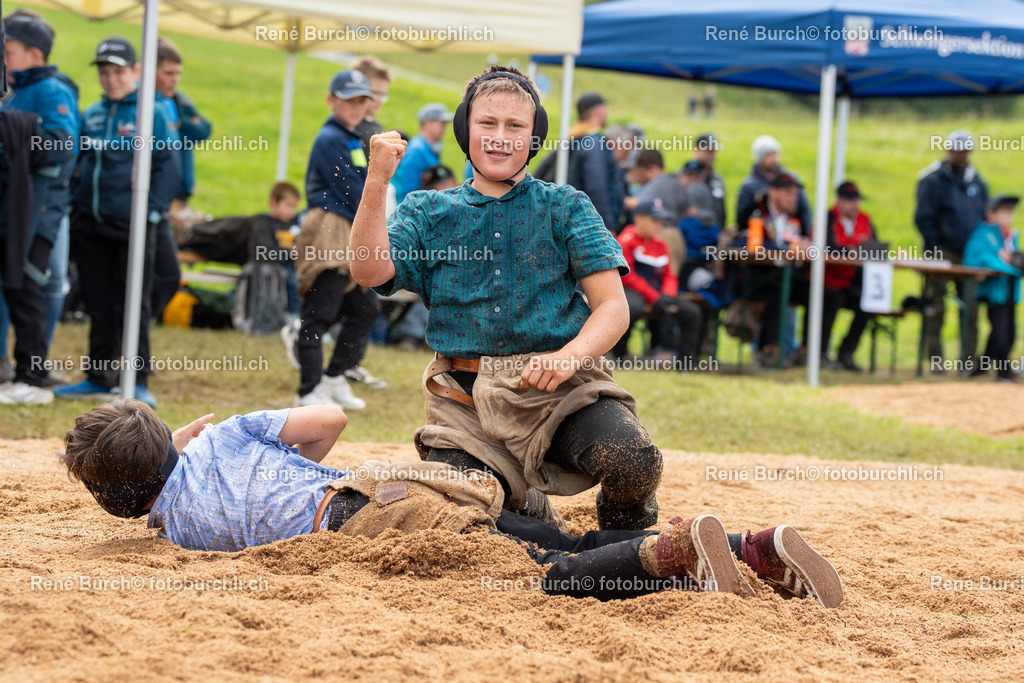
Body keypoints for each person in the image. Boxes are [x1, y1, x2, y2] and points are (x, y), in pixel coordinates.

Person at [61, 398, 844, 607]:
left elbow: (159, 494)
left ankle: (667, 554)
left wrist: (168, 465)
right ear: (169, 438)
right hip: (401, 484)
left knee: (539, 578)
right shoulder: (225, 436)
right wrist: (198, 439)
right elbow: (329, 419)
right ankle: (753, 546)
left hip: (370, 527)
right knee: (561, 543)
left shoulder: (178, 527)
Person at [351, 65, 665, 532]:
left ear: (534, 136)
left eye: (515, 125)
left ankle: (628, 545)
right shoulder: (428, 210)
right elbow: (369, 270)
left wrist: (569, 356)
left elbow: (613, 307)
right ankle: (529, 509)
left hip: (559, 391)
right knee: (468, 517)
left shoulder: (566, 206)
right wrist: (377, 181)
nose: (500, 137)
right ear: (465, 130)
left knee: (635, 462)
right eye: (487, 123)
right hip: (465, 406)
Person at [54, 36, 181, 409]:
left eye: (118, 72)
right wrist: (76, 205)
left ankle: (136, 380)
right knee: (97, 302)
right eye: (105, 72)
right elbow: (78, 163)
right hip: (90, 225)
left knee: (134, 302)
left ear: (137, 71)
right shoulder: (92, 113)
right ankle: (99, 377)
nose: (111, 80)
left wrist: (151, 214)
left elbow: (168, 168)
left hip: (134, 226)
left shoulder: (152, 111)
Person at [0, 12, 79, 404]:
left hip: (41, 209)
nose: (4, 59)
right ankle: (24, 372)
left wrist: (15, 129)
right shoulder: (17, 89)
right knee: (15, 287)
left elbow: (62, 145)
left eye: (9, 51)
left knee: (29, 285)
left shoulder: (51, 90)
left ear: (34, 54)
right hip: (17, 209)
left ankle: (32, 378)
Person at [292, 68, 381, 411]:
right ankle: (308, 390)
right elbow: (352, 189)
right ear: (331, 101)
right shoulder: (331, 138)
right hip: (331, 230)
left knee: (364, 308)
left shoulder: (350, 137)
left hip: (349, 226)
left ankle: (333, 377)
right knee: (319, 312)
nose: (357, 107)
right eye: (349, 100)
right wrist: (377, 217)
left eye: (362, 100)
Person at [915, 129, 988, 372]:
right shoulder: (933, 180)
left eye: (965, 151)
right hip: (941, 251)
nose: (961, 156)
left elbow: (985, 217)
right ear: (948, 150)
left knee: (971, 309)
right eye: (957, 151)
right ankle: (936, 360)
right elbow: (923, 217)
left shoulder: (976, 181)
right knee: (936, 306)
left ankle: (967, 362)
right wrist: (934, 246)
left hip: (970, 254)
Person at [149, 36, 212, 320]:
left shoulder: (177, 102)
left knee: (166, 270)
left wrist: (181, 116)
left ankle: (147, 317)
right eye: (168, 73)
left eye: (178, 74)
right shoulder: (144, 105)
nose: (174, 80)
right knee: (157, 267)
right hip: (153, 198)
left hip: (174, 196)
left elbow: (203, 129)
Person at [611, 198, 702, 367]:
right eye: (654, 220)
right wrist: (654, 297)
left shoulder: (660, 244)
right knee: (631, 309)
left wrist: (667, 294)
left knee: (692, 312)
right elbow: (627, 276)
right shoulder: (626, 241)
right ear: (638, 218)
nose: (659, 224)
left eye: (660, 220)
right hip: (632, 290)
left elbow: (669, 275)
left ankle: (686, 363)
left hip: (659, 293)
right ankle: (618, 356)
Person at [732, 173, 809, 367]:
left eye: (795, 194)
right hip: (752, 275)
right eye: (788, 193)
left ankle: (809, 350)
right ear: (773, 192)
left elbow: (802, 242)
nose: (793, 198)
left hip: (786, 274)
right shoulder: (755, 211)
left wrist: (805, 246)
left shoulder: (796, 217)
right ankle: (767, 350)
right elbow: (747, 245)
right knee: (777, 291)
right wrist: (782, 250)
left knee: (821, 292)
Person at [822, 181, 879, 373]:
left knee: (867, 305)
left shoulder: (865, 221)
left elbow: (876, 248)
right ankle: (820, 353)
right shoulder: (827, 218)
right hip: (826, 279)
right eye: (850, 200)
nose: (855, 205)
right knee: (831, 299)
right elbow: (825, 246)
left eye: (857, 200)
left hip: (850, 280)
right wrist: (847, 250)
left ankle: (846, 353)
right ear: (839, 201)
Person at [964, 195, 1022, 382]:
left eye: (1010, 213)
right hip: (994, 293)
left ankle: (980, 368)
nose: (1008, 217)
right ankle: (1002, 372)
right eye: (1003, 212)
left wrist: (1014, 262)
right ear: (991, 214)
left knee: (1010, 333)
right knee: (999, 334)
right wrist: (1012, 267)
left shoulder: (1010, 237)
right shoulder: (984, 235)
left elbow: (1016, 259)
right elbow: (978, 259)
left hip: (1010, 292)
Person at [567, 91, 624, 233]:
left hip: (576, 220)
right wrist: (606, 227)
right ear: (598, 110)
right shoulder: (594, 142)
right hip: (592, 226)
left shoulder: (573, 138)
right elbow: (597, 186)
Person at [736, 135, 811, 234]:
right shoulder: (749, 186)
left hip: (790, 231)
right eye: (769, 156)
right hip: (761, 235)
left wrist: (805, 234)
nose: (773, 159)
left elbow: (804, 209)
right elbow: (742, 218)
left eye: (775, 155)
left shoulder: (790, 181)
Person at [391, 102, 454, 203]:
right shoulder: (417, 151)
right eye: (441, 124)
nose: (444, 129)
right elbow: (409, 190)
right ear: (428, 123)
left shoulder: (431, 148)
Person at [351, 55, 391, 158]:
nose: (379, 100)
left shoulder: (376, 127)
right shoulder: (349, 127)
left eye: (383, 95)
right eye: (375, 93)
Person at [689, 132, 727, 229]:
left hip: (716, 232)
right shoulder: (686, 179)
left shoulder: (718, 180)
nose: (712, 155)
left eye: (714, 151)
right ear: (696, 150)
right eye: (708, 151)